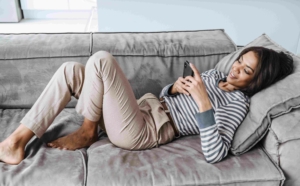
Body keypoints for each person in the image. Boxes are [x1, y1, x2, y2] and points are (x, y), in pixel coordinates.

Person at [0, 47, 294, 165]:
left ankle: (88, 132)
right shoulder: (215, 75)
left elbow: (216, 153)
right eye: (240, 61)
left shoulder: (236, 104)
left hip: (144, 131)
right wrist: (174, 88)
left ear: (257, 81)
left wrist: (204, 102)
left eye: (246, 71)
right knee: (70, 71)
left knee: (102, 60)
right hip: (139, 110)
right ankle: (16, 142)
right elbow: (169, 98)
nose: (236, 69)